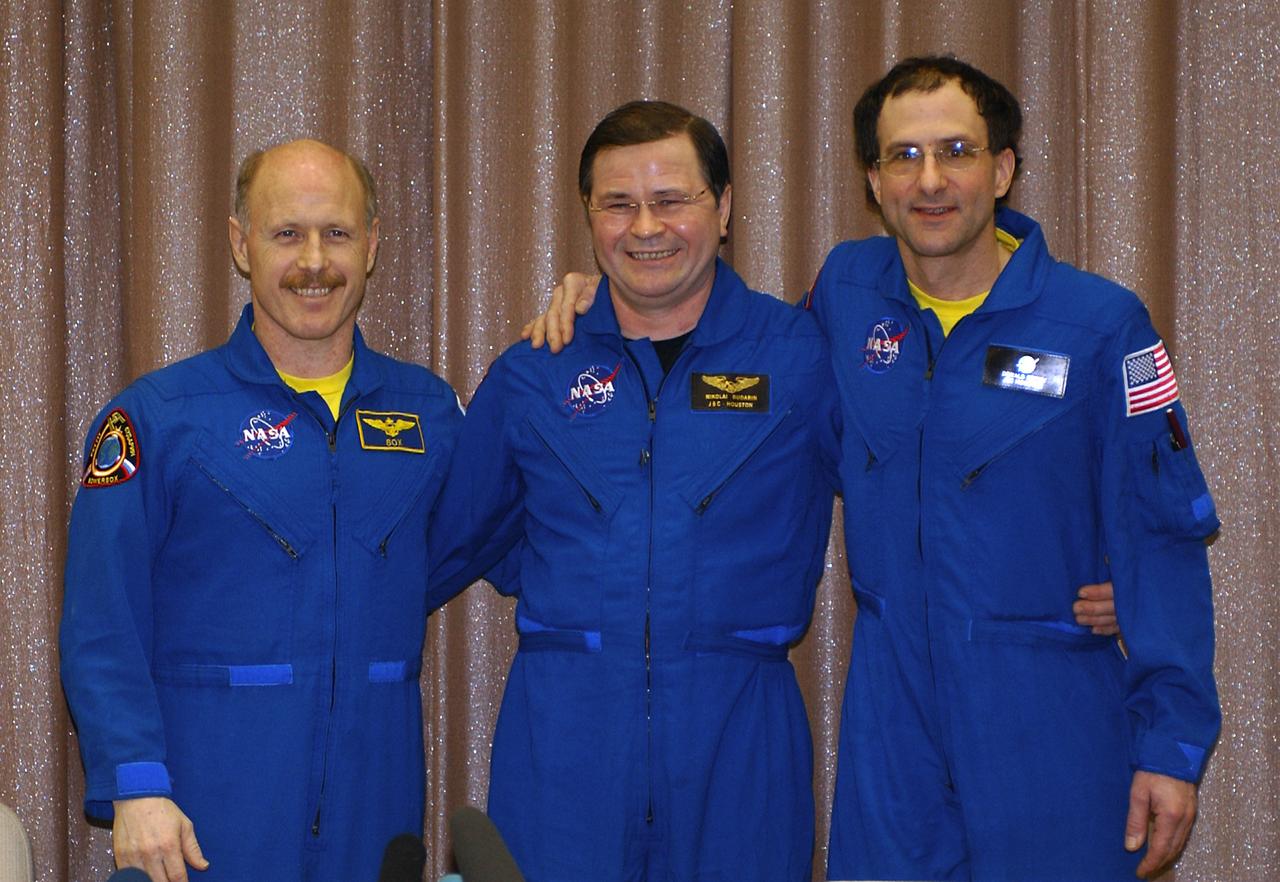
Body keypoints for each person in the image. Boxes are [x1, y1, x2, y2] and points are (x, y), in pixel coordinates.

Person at [527, 57, 1213, 881]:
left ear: (1002, 170)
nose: (930, 180)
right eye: (904, 156)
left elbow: (1164, 536)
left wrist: (1171, 743)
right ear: (874, 181)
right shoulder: (844, 297)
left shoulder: (1100, 324)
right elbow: (735, 362)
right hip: (892, 728)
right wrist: (607, 304)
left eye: (956, 152)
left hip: (1050, 709)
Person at [426, 101, 842, 881]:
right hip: (565, 742)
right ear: (589, 214)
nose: (645, 227)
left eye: (671, 199)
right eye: (618, 204)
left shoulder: (801, 359)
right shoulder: (534, 373)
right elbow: (439, 544)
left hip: (739, 738)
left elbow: (917, 493)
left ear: (724, 207)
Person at [60, 139, 464, 882]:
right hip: (204, 820)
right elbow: (101, 621)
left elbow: (503, 533)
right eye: (286, 234)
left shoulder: (431, 414)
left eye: (337, 232)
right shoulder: (159, 417)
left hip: (374, 813)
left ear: (372, 245)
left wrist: (588, 323)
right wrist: (135, 782)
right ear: (241, 245)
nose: (314, 261)